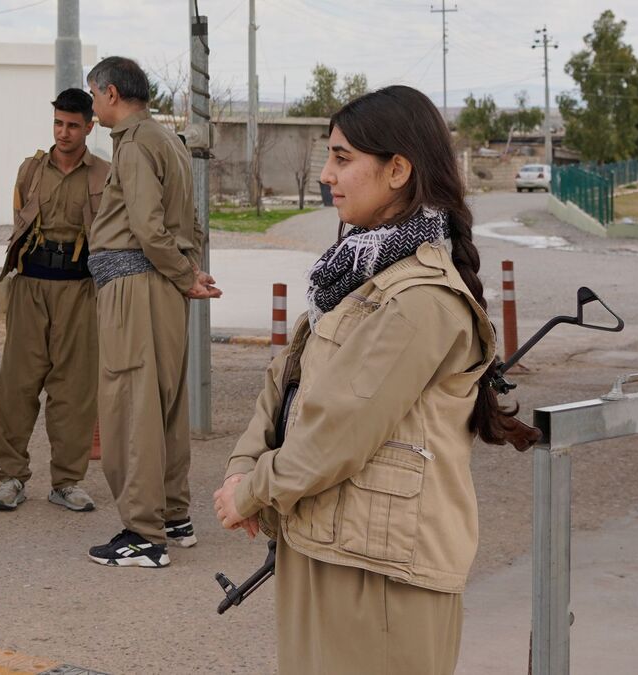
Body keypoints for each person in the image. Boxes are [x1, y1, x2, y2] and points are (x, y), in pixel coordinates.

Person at [213, 85, 540, 673]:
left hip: (384, 569)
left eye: (342, 159)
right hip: (326, 540)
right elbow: (286, 382)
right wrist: (242, 466)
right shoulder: (352, 274)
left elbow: (340, 429)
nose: (326, 175)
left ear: (397, 170)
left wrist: (254, 490)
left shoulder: (422, 299)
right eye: (329, 158)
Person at [83, 56, 221, 568]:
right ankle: (172, 516)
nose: (92, 105)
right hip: (160, 284)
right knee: (162, 404)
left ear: (112, 94)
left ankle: (143, 535)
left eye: (94, 95)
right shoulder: (170, 141)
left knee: (131, 406)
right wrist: (188, 271)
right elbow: (192, 221)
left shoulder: (137, 144)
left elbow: (144, 224)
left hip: (137, 287)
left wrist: (185, 275)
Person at [0, 88, 110, 513]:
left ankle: (66, 481)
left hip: (79, 290)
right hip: (30, 285)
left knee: (73, 390)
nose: (64, 132)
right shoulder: (31, 169)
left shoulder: (104, 175)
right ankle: (11, 477)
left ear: (89, 127)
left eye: (73, 125)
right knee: (16, 385)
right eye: (58, 123)